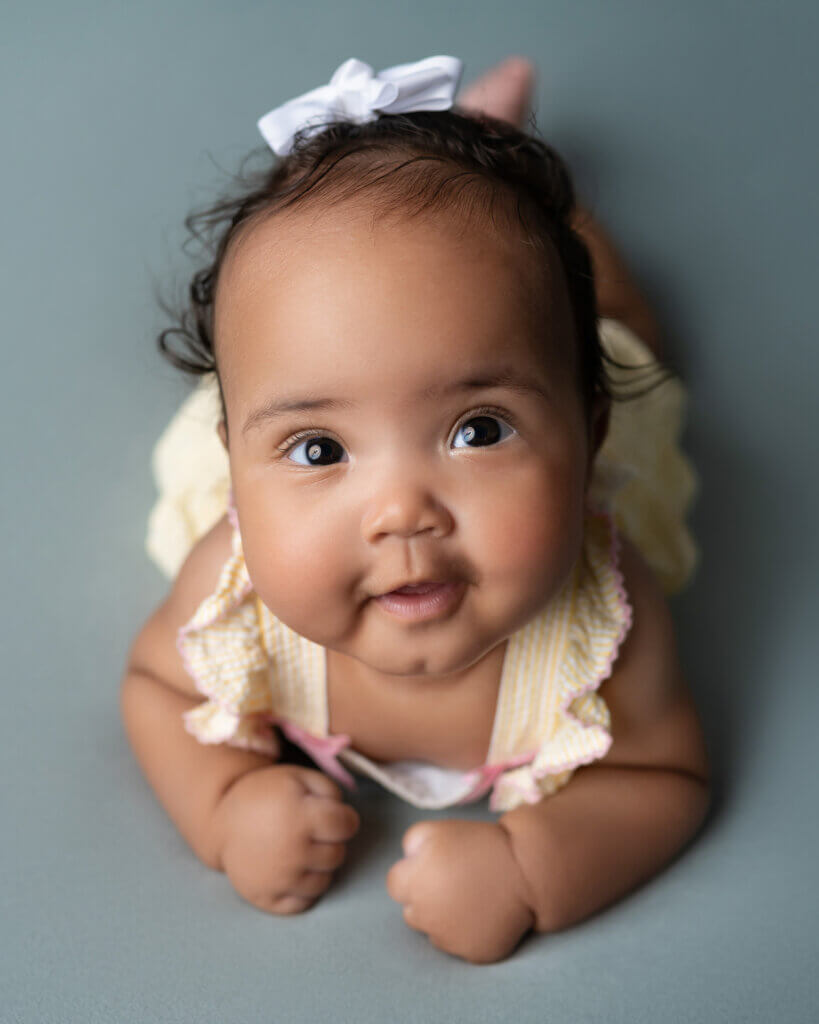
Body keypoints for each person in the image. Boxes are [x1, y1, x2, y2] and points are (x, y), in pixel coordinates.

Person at [121, 55, 709, 965]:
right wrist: (224, 803)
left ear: (588, 435)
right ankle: (470, 145)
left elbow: (661, 776)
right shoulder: (228, 595)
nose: (401, 513)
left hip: (584, 356)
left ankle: (505, 153)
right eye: (319, 450)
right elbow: (159, 689)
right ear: (235, 467)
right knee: (349, 278)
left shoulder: (606, 623)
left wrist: (532, 871)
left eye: (478, 430)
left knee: (618, 328)